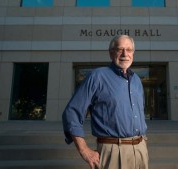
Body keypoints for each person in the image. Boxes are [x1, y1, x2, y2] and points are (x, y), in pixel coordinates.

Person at [62, 35, 148, 169]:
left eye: (129, 50)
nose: (125, 54)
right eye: (120, 49)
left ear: (133, 53)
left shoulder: (136, 80)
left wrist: (142, 143)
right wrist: (84, 149)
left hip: (140, 149)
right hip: (113, 151)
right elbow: (72, 112)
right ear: (111, 53)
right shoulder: (97, 76)